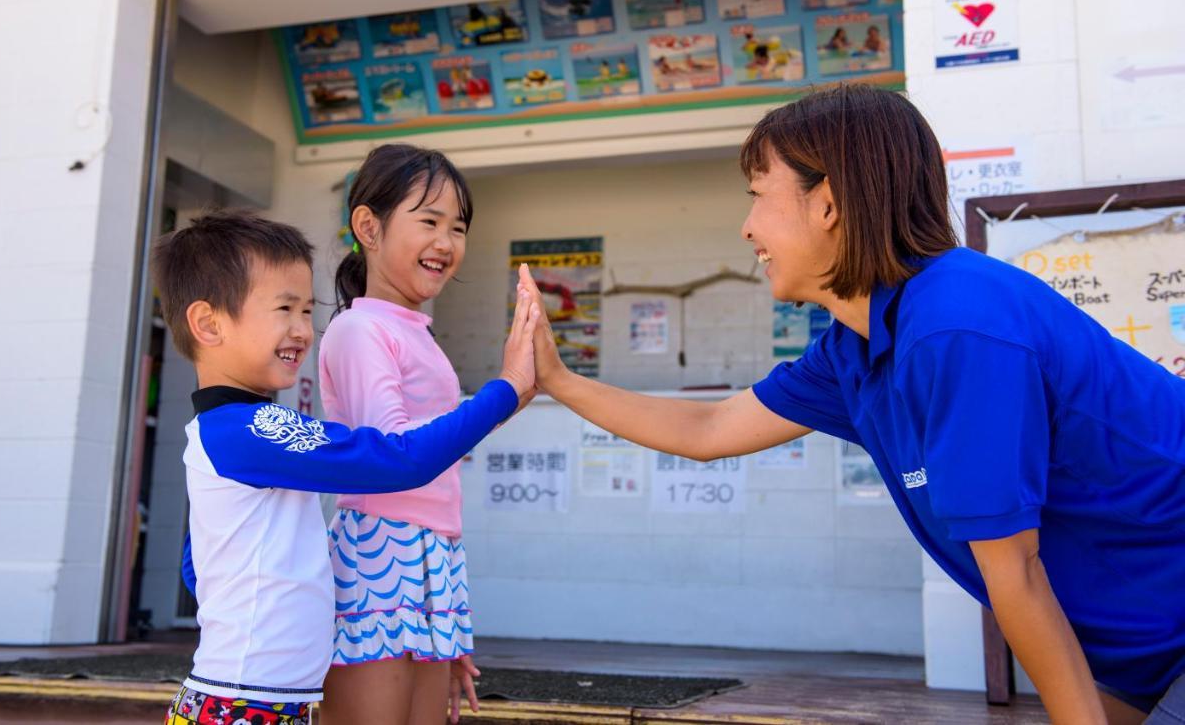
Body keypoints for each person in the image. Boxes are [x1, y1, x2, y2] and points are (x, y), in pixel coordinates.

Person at [518, 84, 1185, 724]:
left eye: (758, 197)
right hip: (1145, 651)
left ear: (828, 203)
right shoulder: (858, 345)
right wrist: (559, 379)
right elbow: (711, 426)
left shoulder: (957, 323)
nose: (747, 228)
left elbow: (1015, 571)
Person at [154, 209, 540, 725]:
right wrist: (507, 388)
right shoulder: (250, 430)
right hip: (242, 706)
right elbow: (398, 459)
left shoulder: (231, 432)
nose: (303, 331)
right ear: (208, 323)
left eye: (306, 311)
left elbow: (198, 565)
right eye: (285, 309)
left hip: (258, 699)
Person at [317, 145, 495, 725]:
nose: (446, 242)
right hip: (379, 551)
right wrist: (508, 390)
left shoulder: (414, 332)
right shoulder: (360, 328)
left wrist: (447, 609)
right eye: (429, 221)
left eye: (458, 227)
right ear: (368, 226)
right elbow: (391, 452)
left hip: (431, 557)